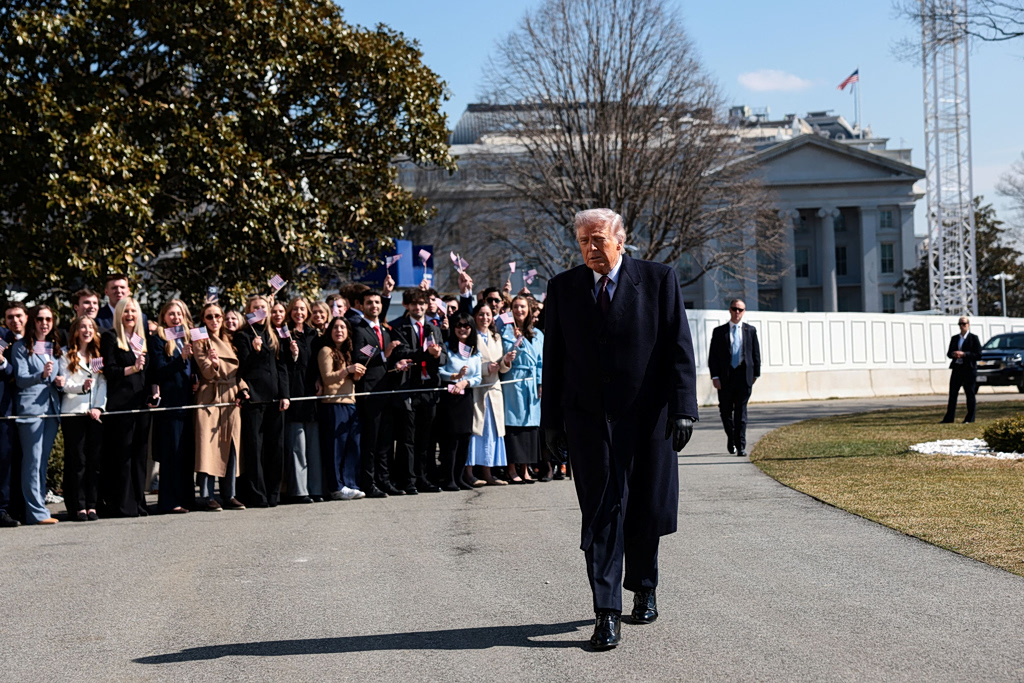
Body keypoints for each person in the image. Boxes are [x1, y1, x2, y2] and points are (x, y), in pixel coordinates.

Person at [542, 208, 697, 651]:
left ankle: (644, 585)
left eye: (598, 240)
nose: (591, 249)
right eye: (584, 242)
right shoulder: (563, 289)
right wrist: (550, 423)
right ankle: (606, 612)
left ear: (620, 240)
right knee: (602, 514)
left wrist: (684, 407)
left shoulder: (658, 280)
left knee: (645, 510)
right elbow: (554, 362)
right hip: (589, 423)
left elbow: (678, 348)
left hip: (649, 419)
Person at [351, 289, 410, 497]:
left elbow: (389, 359)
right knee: (371, 441)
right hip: (369, 392)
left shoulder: (385, 330)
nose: (374, 306)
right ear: (362, 305)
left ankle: (385, 481)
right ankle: (369, 482)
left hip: (387, 391)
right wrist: (384, 355)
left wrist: (398, 362)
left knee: (386, 441)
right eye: (369, 302)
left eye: (377, 302)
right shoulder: (358, 329)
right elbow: (359, 356)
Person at [234, 295, 290, 508]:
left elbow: (282, 366)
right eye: (255, 308)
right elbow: (242, 369)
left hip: (275, 397)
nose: (260, 311)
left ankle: (274, 493)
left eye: (263, 307)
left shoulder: (274, 334)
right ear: (249, 311)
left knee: (275, 447)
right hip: (255, 399)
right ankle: (258, 495)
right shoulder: (243, 335)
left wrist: (285, 394)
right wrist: (255, 352)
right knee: (254, 449)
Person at [390, 289, 447, 494]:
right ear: (406, 306)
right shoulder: (398, 327)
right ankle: (408, 480)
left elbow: (444, 358)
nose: (418, 308)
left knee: (426, 438)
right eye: (413, 304)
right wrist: (426, 354)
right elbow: (402, 352)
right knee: (407, 438)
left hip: (429, 388)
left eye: (422, 304)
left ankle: (423, 477)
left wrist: (437, 354)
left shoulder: (434, 328)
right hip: (409, 389)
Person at [101, 297, 153, 518]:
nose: (130, 315)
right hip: (121, 404)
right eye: (126, 311)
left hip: (141, 403)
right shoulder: (110, 337)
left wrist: (154, 392)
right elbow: (109, 370)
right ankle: (123, 504)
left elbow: (149, 371)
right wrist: (132, 369)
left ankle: (139, 502)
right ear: (119, 314)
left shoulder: (141, 340)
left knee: (140, 455)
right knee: (122, 455)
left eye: (133, 311)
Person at [11, 305, 63, 525]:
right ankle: (36, 513)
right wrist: (41, 375)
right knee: (32, 462)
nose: (45, 323)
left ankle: (40, 506)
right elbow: (21, 379)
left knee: (42, 462)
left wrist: (60, 382)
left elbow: (57, 377)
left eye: (49, 319)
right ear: (33, 321)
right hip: (31, 410)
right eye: (41, 319)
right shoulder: (21, 347)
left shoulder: (53, 347)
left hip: (51, 409)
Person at [193, 303, 247, 511]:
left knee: (231, 445)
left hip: (231, 397)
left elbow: (237, 372)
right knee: (208, 446)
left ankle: (229, 493)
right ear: (203, 320)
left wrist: (243, 388)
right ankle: (206, 495)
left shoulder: (230, 339)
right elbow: (206, 370)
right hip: (210, 397)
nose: (214, 320)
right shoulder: (200, 339)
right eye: (209, 317)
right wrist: (213, 363)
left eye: (217, 316)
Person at [148, 300, 196, 514]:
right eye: (171, 314)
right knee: (171, 453)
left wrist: (194, 376)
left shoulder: (188, 337)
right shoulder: (158, 339)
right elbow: (159, 371)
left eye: (179, 314)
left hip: (188, 402)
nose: (175, 318)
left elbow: (191, 368)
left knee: (186, 453)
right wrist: (182, 359)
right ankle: (169, 501)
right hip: (170, 404)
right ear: (163, 317)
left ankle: (187, 498)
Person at [57, 316, 107, 521]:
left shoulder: (96, 356)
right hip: (73, 413)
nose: (87, 330)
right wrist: (80, 387)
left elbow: (101, 383)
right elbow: (63, 384)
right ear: (75, 331)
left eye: (90, 327)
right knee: (78, 461)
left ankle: (92, 505)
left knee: (94, 461)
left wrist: (98, 407)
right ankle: (78, 506)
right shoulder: (65, 355)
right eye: (82, 327)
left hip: (93, 414)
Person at [465, 301, 515, 487]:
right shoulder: (471, 336)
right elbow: (466, 363)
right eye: (480, 314)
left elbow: (501, 367)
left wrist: (506, 361)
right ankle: (469, 473)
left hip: (494, 390)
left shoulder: (496, 336)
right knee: (475, 431)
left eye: (487, 315)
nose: (484, 318)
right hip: (477, 389)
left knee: (491, 432)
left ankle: (488, 472)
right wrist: (486, 368)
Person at [317, 316, 366, 500]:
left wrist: (357, 374)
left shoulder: (347, 352)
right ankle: (336, 486)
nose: (339, 331)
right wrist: (347, 370)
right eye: (336, 327)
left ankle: (350, 483)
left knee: (352, 447)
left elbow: (350, 381)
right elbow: (327, 378)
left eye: (343, 328)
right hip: (333, 404)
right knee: (335, 448)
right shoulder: (326, 351)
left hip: (350, 404)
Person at [707, 299, 761, 457]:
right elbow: (713, 357)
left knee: (741, 414)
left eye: (740, 310)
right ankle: (731, 438)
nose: (737, 312)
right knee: (725, 412)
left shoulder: (750, 330)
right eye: (734, 309)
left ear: (744, 312)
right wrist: (715, 376)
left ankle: (741, 445)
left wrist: (755, 374)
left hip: (744, 377)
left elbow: (755, 354)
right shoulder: (719, 332)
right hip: (725, 378)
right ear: (729, 310)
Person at [436, 313, 482, 490]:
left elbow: (477, 377)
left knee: (464, 438)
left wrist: (466, 381)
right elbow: (440, 371)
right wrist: (455, 377)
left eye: (466, 326)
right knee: (451, 440)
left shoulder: (475, 352)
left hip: (466, 397)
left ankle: (459, 476)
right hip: (450, 397)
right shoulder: (447, 347)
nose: (462, 329)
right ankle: (448, 478)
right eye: (459, 325)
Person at [282, 297, 321, 504]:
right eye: (295, 309)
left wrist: (318, 380)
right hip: (294, 391)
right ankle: (299, 490)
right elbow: (283, 366)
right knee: (298, 444)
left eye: (302, 309)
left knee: (313, 445)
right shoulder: (285, 333)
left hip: (311, 392)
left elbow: (317, 363)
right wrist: (293, 356)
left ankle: (315, 488)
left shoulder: (314, 334)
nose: (299, 312)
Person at [501, 295, 543, 484]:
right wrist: (516, 340)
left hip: (532, 382)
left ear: (529, 310)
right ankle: (511, 468)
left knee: (530, 425)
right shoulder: (505, 331)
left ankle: (525, 468)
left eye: (523, 307)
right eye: (516, 307)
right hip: (514, 379)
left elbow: (541, 361)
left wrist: (541, 383)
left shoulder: (538, 334)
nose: (519, 310)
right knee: (514, 424)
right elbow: (504, 354)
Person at [941, 316, 981, 424]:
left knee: (970, 393)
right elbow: (949, 353)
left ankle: (970, 418)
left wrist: (964, 354)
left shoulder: (973, 338)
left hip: (969, 370)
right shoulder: (955, 338)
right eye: (960, 324)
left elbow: (978, 354)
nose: (962, 326)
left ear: (968, 324)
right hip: (957, 369)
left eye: (964, 324)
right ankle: (949, 418)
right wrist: (954, 354)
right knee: (953, 393)